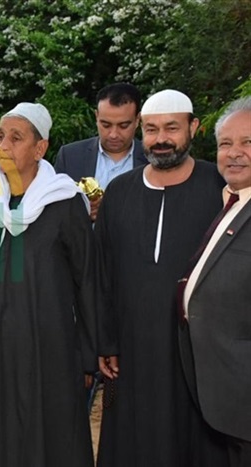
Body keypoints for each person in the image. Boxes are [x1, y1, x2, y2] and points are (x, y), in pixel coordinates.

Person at [0, 102, 97, 466]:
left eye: (16, 137)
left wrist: (88, 355)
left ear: (40, 148)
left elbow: (86, 278)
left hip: (44, 350)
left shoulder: (64, 201)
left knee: (40, 436)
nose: (4, 146)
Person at [96, 89, 229, 467]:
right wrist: (105, 339)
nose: (161, 139)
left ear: (194, 127)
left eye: (172, 128)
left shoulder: (219, 186)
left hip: (198, 350)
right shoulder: (119, 191)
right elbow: (102, 272)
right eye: (152, 130)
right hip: (131, 350)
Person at [181, 96, 251, 467]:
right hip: (226, 398)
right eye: (226, 143)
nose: (234, 153)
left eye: (248, 142)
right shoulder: (230, 202)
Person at [55, 82, 147, 220]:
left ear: (137, 120)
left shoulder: (152, 160)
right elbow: (53, 212)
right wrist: (81, 213)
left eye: (123, 126)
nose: (113, 134)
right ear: (96, 117)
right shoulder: (70, 156)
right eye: (106, 125)